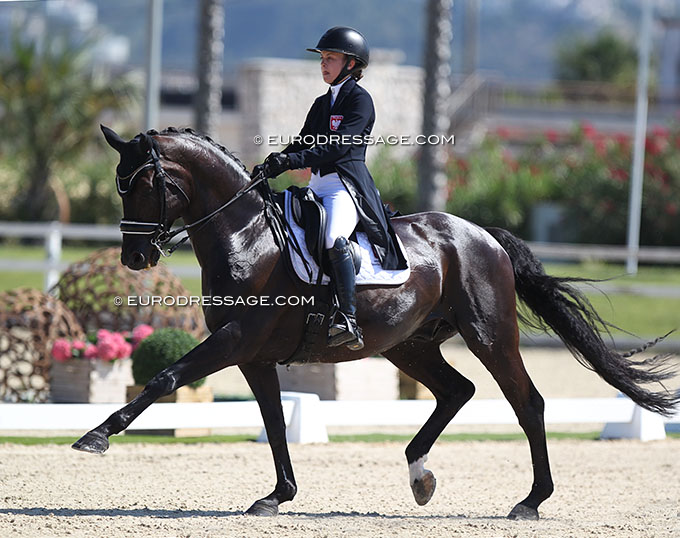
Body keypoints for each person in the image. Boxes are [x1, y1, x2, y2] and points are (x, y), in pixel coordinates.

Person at [253, 26, 407, 351]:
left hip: (345, 187)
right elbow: (305, 141)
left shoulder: (360, 101)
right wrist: (274, 162)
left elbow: (336, 149)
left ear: (351, 64)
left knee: (333, 238)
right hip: (316, 185)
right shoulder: (321, 103)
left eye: (331, 58)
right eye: (322, 58)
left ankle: (348, 317)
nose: (323, 64)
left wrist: (290, 161)